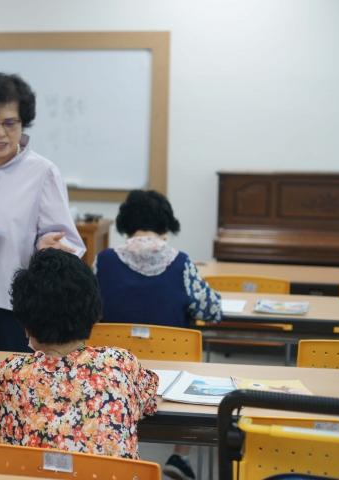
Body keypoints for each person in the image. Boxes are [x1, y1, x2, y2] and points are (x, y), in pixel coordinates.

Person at [0, 248, 158, 462]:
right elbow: (149, 398)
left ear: (26, 326)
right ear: (93, 314)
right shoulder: (121, 364)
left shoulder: (5, 374)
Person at [94, 189, 222, 480]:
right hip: (173, 375)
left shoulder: (104, 261)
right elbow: (212, 310)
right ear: (166, 227)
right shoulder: (182, 262)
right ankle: (181, 456)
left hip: (116, 373)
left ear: (125, 226)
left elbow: (89, 312)